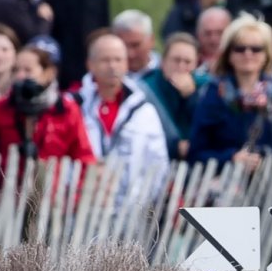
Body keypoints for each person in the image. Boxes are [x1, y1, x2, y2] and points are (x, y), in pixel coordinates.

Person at [187, 13, 272, 166]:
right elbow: (196, 153)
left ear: (266, 55)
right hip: (226, 183)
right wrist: (231, 158)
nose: (248, 54)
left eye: (256, 49)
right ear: (229, 54)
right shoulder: (214, 95)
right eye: (240, 48)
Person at [75, 29, 167, 182]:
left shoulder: (143, 111)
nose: (112, 66)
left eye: (118, 60)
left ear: (126, 64)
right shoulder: (75, 106)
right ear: (90, 64)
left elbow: (158, 161)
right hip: (82, 198)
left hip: (132, 201)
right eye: (105, 60)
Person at [0, 40, 92, 162]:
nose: (20, 76)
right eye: (16, 70)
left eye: (28, 70)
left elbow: (83, 155)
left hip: (51, 178)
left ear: (49, 73)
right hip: (9, 178)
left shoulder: (65, 109)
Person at [143, 32, 200, 158]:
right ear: (163, 61)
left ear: (196, 64)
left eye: (187, 62)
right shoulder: (146, 87)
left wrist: (192, 97)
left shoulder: (204, 86)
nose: (181, 67)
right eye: (176, 60)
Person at [112, 9, 157, 77]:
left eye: (136, 45)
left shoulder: (167, 72)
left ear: (151, 40)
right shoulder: (99, 80)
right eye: (123, 46)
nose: (130, 54)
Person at [194, 6, 231, 71]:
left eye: (219, 33)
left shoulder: (240, 63)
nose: (213, 39)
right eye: (208, 33)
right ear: (198, 35)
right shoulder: (189, 62)